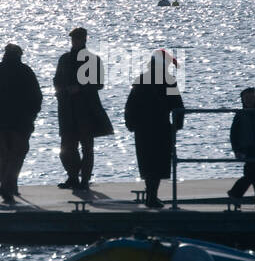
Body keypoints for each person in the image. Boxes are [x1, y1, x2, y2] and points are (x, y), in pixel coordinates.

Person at [0, 43, 43, 204]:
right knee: (17, 154)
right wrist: (31, 116)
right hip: (21, 122)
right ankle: (8, 185)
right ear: (19, 55)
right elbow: (36, 97)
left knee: (3, 155)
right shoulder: (26, 71)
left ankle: (7, 185)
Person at [53, 26, 113, 192]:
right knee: (66, 148)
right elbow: (56, 80)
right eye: (73, 39)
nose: (75, 41)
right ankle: (73, 176)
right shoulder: (64, 59)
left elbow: (99, 84)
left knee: (87, 147)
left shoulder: (93, 60)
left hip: (86, 110)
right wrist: (64, 91)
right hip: (67, 109)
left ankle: (84, 179)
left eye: (78, 38)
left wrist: (79, 88)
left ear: (84, 39)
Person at [124, 50, 184, 208]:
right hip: (161, 127)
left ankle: (151, 195)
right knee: (158, 163)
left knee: (147, 162)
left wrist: (130, 123)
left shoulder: (141, 80)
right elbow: (177, 105)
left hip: (142, 128)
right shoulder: (169, 81)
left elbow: (130, 105)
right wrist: (177, 125)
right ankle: (152, 196)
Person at [228, 86, 255, 208]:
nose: (249, 100)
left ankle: (237, 195)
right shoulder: (240, 115)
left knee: (252, 175)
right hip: (245, 148)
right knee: (253, 175)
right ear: (243, 100)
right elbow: (233, 134)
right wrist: (236, 150)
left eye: (252, 97)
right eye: (246, 98)